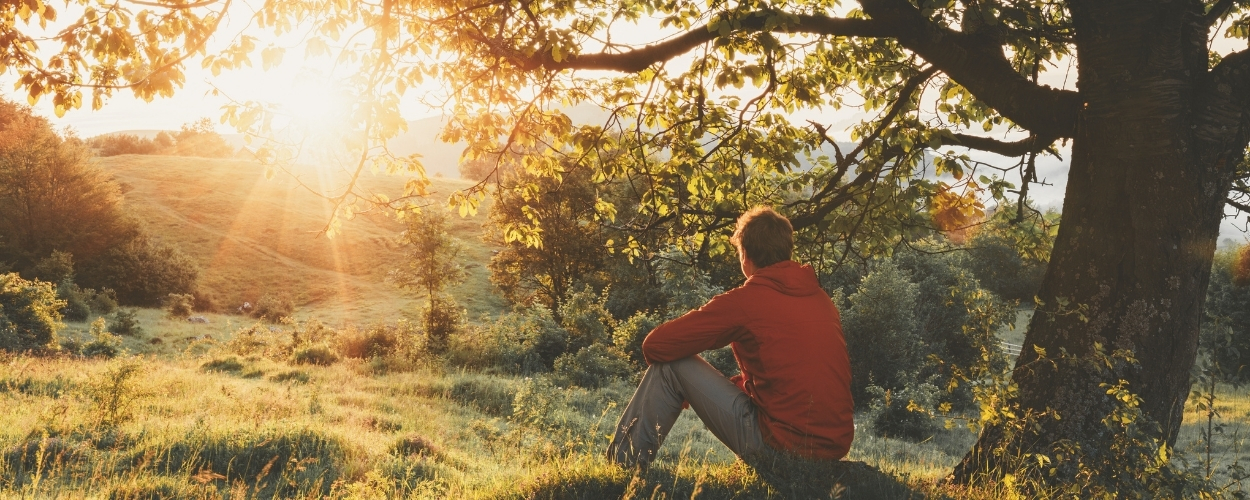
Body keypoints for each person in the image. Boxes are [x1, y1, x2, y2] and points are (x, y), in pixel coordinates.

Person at [606, 206, 854, 468]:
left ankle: (622, 467)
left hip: (781, 447)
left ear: (745, 255)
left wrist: (687, 386)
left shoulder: (747, 301)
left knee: (671, 365)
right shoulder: (820, 299)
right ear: (786, 250)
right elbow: (789, 377)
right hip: (834, 446)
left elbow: (656, 345)